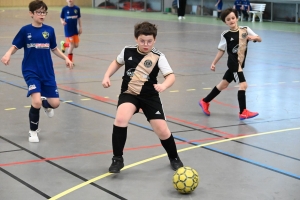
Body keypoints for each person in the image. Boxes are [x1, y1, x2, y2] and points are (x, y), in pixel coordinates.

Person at [102, 21, 184, 173]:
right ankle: (117, 159)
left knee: (162, 130)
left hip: (150, 96)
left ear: (155, 40)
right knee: (120, 119)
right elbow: (116, 62)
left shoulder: (158, 56)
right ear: (136, 39)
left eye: (149, 41)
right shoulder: (127, 51)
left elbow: (171, 76)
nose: (146, 44)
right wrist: (106, 76)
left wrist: (164, 85)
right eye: (142, 41)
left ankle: (174, 157)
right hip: (130, 94)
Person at [1, 0, 73, 142]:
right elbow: (15, 45)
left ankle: (46, 104)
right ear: (31, 14)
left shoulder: (49, 30)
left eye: (44, 12)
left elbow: (54, 48)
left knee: (55, 104)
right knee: (36, 102)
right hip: (31, 71)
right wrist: (8, 54)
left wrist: (66, 58)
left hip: (47, 72)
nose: (42, 15)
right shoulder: (25, 30)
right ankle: (33, 132)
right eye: (39, 12)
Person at [198, 8, 262, 120]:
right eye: (228, 19)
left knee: (223, 85)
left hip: (240, 64)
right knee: (243, 85)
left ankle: (205, 101)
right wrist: (214, 63)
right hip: (234, 64)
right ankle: (243, 112)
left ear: (237, 18)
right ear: (225, 22)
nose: (231, 20)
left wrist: (253, 38)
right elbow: (221, 50)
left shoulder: (245, 29)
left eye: (233, 18)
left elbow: (259, 39)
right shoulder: (225, 35)